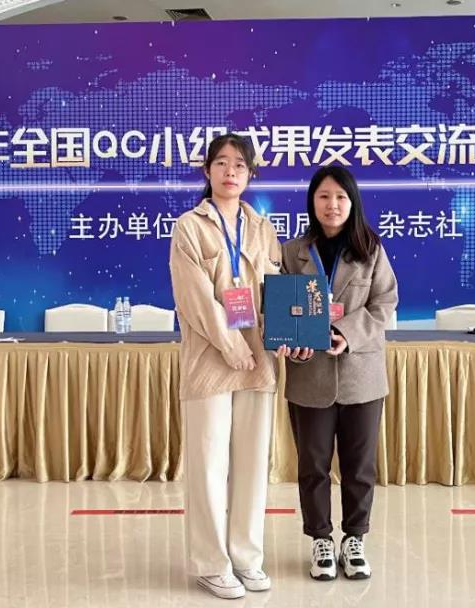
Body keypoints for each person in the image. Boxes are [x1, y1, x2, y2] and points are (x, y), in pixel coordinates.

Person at [168, 133, 282, 600]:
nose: (230, 171)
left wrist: (289, 335)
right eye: (221, 162)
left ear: (250, 173)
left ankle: (247, 557)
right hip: (210, 360)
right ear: (207, 170)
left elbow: (276, 288)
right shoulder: (189, 227)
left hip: (258, 360)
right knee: (209, 464)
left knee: (253, 464)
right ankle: (211, 563)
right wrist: (230, 344)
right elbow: (194, 296)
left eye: (239, 164)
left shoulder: (263, 228)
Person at [276, 165, 398, 581]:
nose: (332, 205)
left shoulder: (370, 248)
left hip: (361, 375)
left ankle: (355, 538)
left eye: (341, 197)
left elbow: (385, 303)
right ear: (312, 202)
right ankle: (321, 540)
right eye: (324, 196)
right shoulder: (292, 252)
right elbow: (279, 308)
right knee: (312, 466)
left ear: (352, 202)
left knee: (359, 467)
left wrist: (346, 333)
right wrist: (291, 341)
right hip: (308, 375)